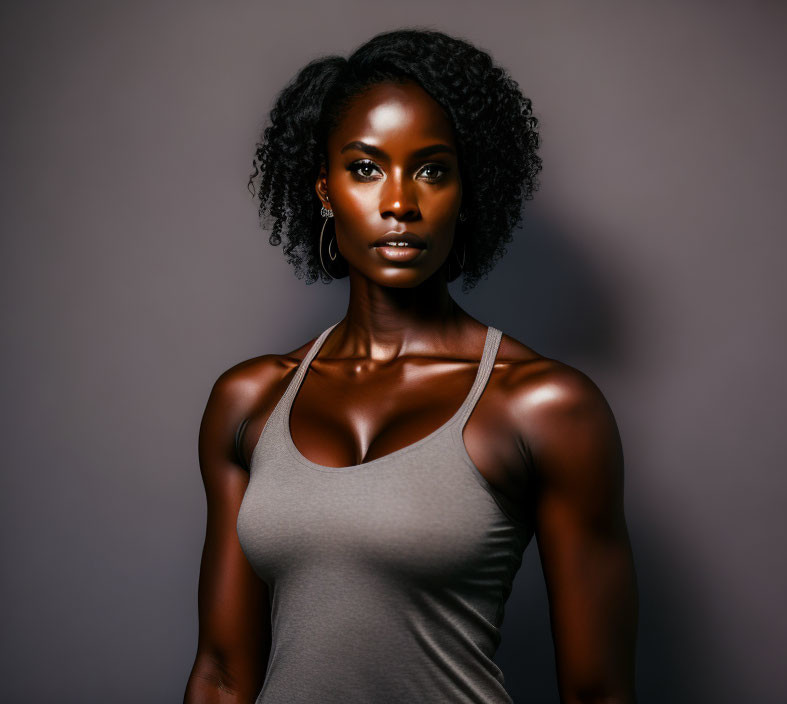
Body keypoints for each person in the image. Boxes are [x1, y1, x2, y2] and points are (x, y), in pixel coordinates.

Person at [184, 28, 638, 704]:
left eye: (431, 169)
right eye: (365, 168)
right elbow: (221, 675)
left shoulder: (545, 408)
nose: (400, 202)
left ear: (466, 190)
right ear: (325, 189)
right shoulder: (248, 401)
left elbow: (598, 692)